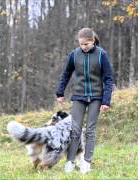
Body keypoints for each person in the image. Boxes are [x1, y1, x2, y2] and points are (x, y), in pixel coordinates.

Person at [56, 28, 113, 174]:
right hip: (79, 96)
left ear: (93, 41)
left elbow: (108, 78)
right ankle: (70, 161)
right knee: (75, 130)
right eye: (81, 44)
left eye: (86, 44)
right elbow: (66, 74)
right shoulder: (74, 55)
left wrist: (106, 101)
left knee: (90, 130)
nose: (83, 47)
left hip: (96, 97)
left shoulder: (101, 55)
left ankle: (86, 162)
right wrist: (60, 92)